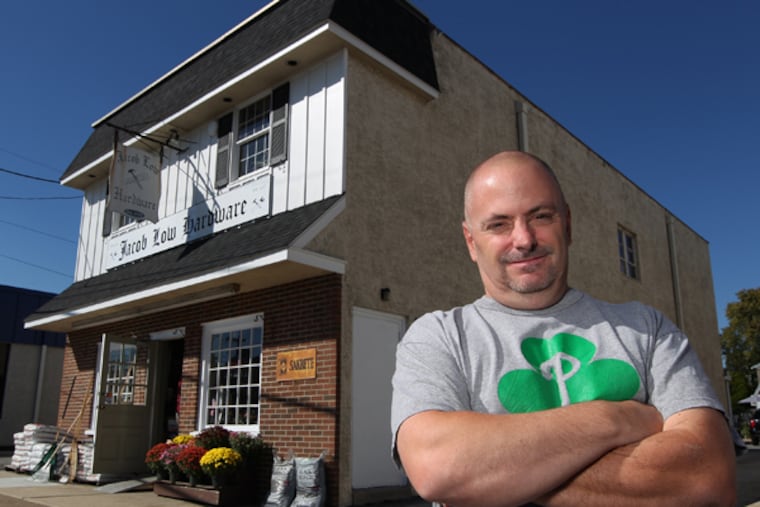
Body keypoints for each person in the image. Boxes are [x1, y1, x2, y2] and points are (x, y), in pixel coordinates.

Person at [391, 151, 739, 507]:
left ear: (568, 225)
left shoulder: (647, 330)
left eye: (541, 216)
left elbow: (708, 476)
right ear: (470, 242)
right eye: (498, 225)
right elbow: (437, 465)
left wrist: (499, 473)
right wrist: (617, 419)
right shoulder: (439, 337)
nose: (524, 239)